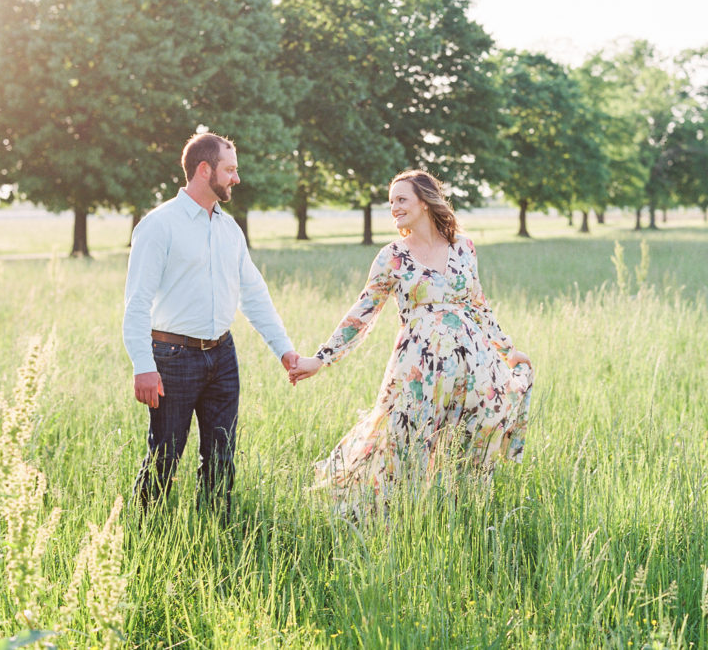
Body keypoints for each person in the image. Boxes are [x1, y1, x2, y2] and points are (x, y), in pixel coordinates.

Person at [290, 169, 533, 513]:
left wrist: (508, 351)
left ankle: (460, 512)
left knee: (476, 432)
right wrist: (320, 358)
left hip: (473, 367)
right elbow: (362, 312)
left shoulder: (463, 247)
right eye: (391, 202)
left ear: (424, 201)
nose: (394, 208)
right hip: (419, 370)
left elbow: (479, 305)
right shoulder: (393, 256)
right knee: (404, 446)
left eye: (401, 200)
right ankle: (393, 517)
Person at [123, 132, 299, 520]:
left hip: (222, 354)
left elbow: (253, 294)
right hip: (172, 357)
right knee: (165, 456)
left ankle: (215, 530)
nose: (236, 178)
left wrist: (284, 351)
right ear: (205, 170)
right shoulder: (159, 226)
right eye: (230, 169)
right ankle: (141, 532)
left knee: (222, 453)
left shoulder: (229, 229)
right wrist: (143, 365)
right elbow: (136, 302)